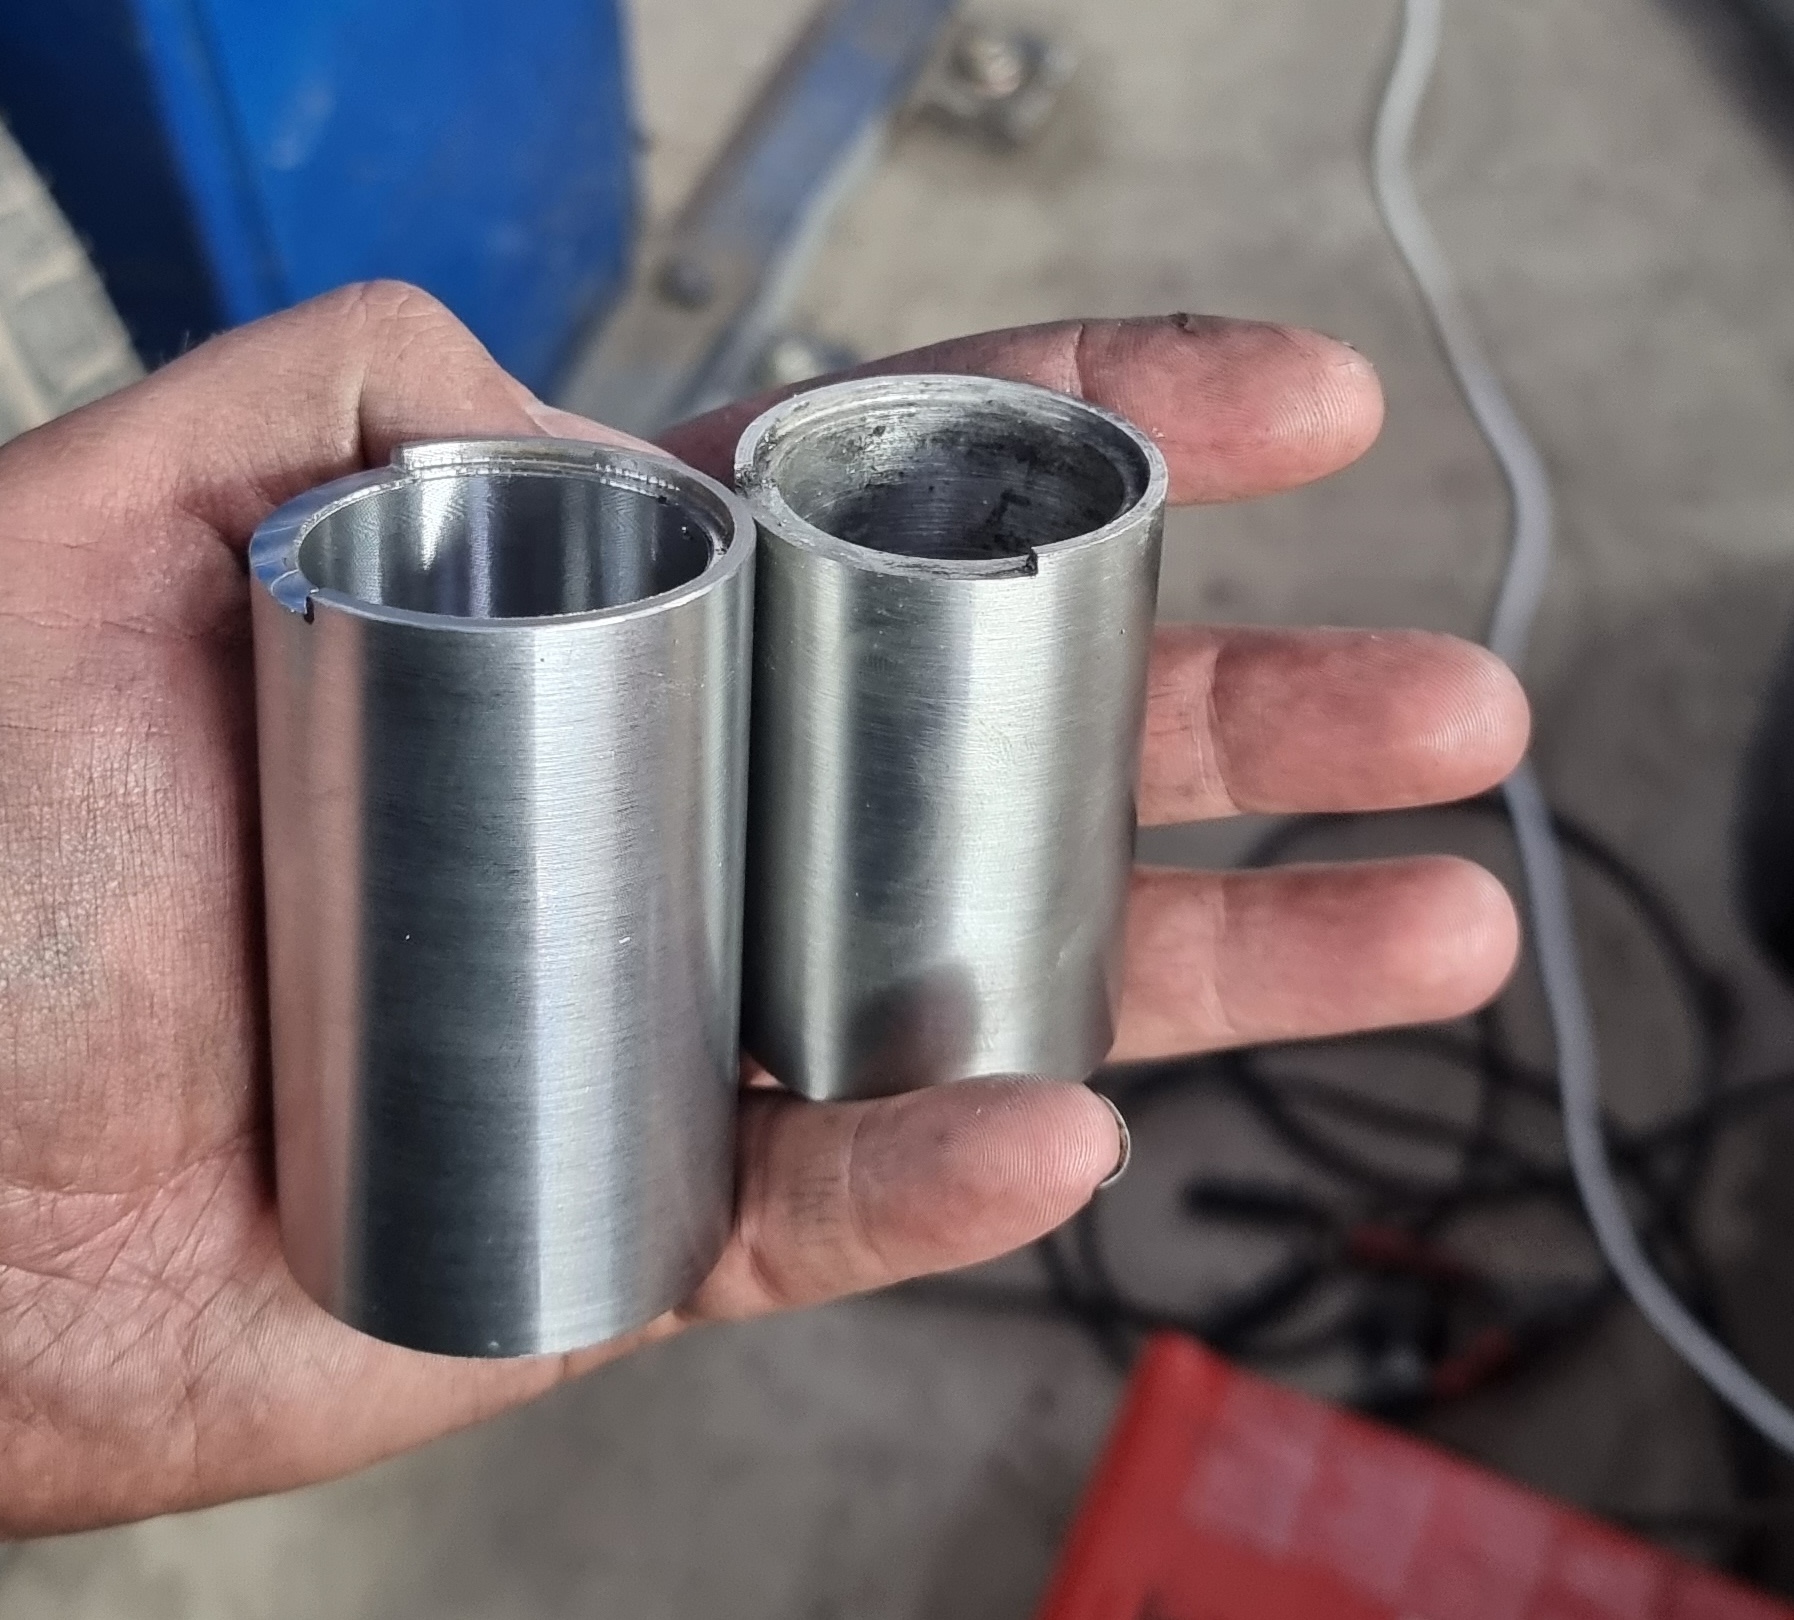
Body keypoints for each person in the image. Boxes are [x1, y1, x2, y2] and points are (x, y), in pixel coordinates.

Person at [0, 283, 1528, 1534]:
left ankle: (898, 1038)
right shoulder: (355, 632)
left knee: (975, 1076)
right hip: (371, 1213)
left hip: (709, 1141)